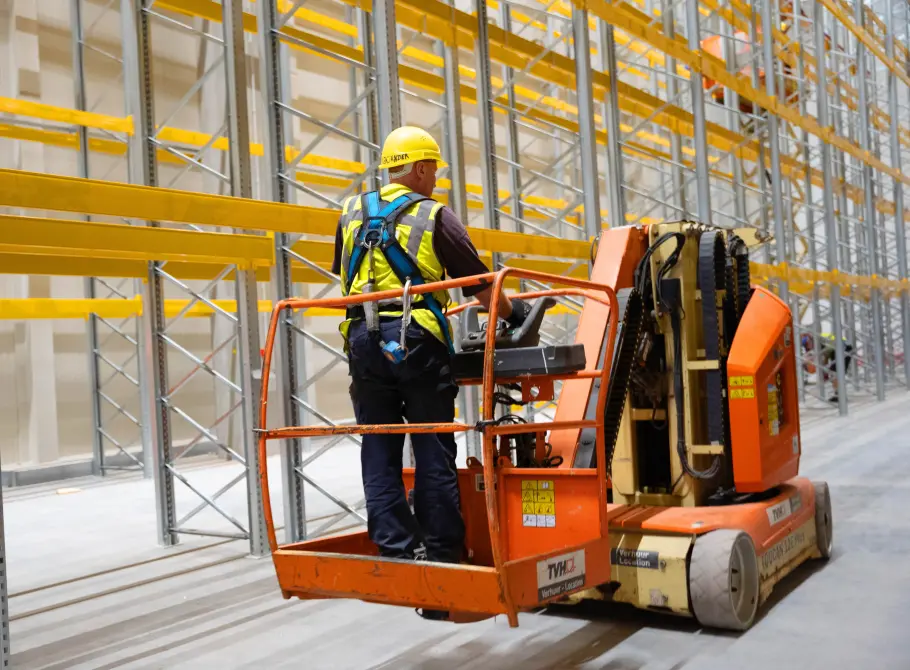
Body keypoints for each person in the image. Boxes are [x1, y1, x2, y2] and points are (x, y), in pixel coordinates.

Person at [330, 126, 531, 589]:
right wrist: (509, 311)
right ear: (419, 169)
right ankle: (442, 551)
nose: (436, 179)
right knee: (432, 447)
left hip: (362, 341)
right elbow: (479, 285)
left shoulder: (351, 213)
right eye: (434, 170)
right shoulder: (433, 216)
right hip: (416, 341)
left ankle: (396, 548)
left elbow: (344, 269)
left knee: (378, 448)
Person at [801, 332, 853, 403]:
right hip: (838, 348)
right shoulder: (818, 338)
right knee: (834, 372)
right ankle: (838, 394)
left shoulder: (819, 342)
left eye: (807, 345)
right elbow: (825, 357)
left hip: (843, 348)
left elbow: (824, 357)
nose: (807, 347)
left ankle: (841, 395)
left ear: (809, 341)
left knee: (836, 372)